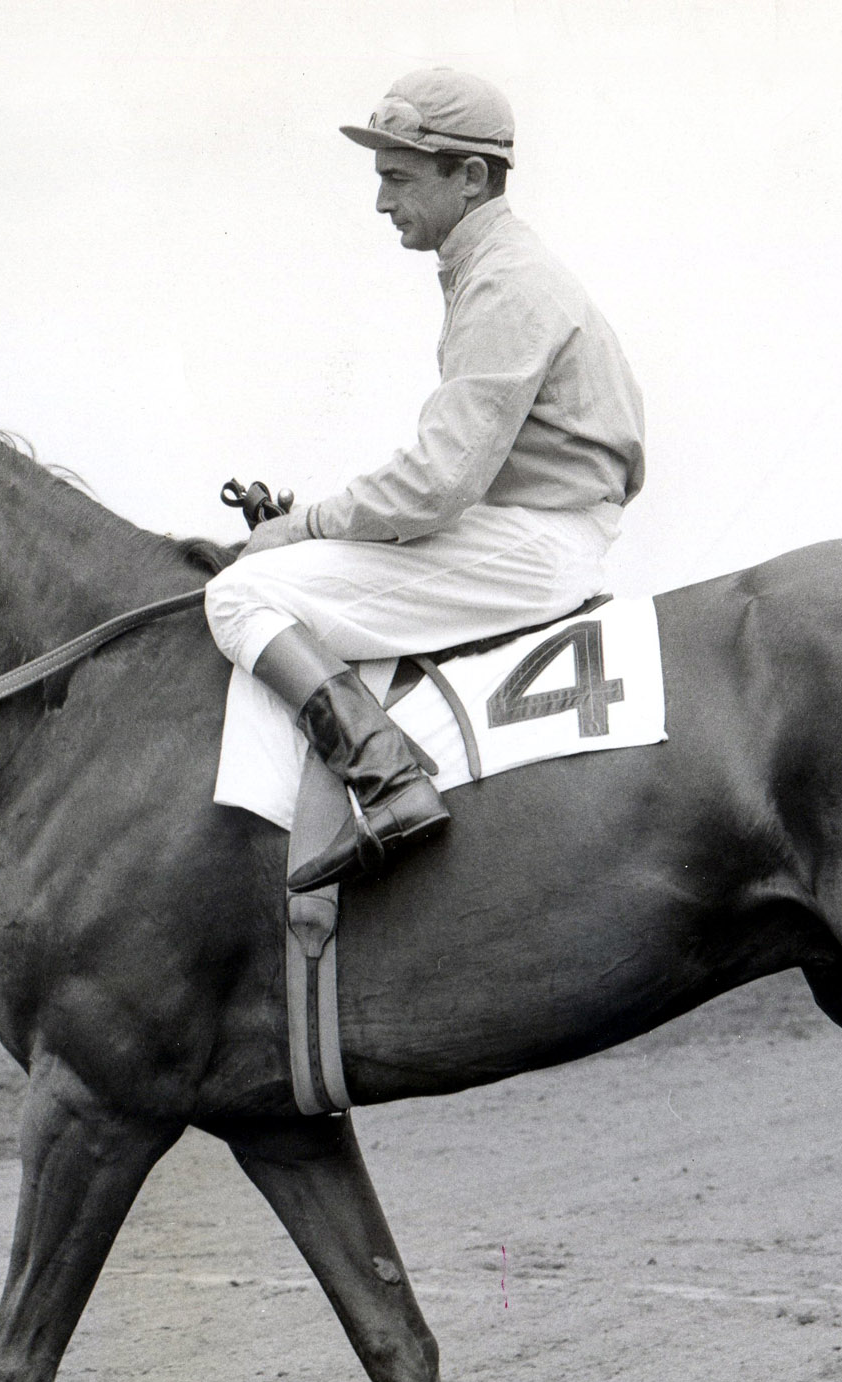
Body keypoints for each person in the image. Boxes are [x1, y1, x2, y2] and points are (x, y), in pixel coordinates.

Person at [205, 67, 646, 890]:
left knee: (237, 593)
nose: (381, 202)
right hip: (535, 525)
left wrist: (297, 529)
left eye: (397, 178)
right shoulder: (493, 269)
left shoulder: (509, 281)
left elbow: (435, 486)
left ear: (469, 176)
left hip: (534, 542)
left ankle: (390, 782)